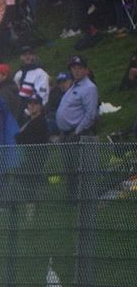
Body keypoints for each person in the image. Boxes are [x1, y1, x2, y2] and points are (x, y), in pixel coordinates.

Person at [55, 55, 99, 201]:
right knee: (69, 167)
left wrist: (77, 131)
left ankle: (80, 198)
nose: (76, 71)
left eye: (79, 68)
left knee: (78, 168)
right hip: (66, 133)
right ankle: (72, 196)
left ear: (86, 70)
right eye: (74, 68)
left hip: (77, 133)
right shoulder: (74, 85)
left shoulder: (89, 88)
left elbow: (90, 114)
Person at [15, 94, 50, 217]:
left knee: (30, 184)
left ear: (40, 106)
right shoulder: (30, 120)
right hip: (27, 156)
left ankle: (31, 213)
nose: (32, 106)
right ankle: (30, 211)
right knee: (27, 183)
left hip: (35, 157)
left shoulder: (40, 122)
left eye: (35, 103)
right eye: (30, 103)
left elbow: (31, 139)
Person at [13, 44, 49, 117]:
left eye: (30, 54)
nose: (27, 57)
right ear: (21, 57)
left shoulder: (41, 73)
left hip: (35, 114)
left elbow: (43, 96)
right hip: (21, 112)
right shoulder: (18, 74)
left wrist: (30, 112)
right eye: (24, 55)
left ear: (34, 56)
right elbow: (19, 93)